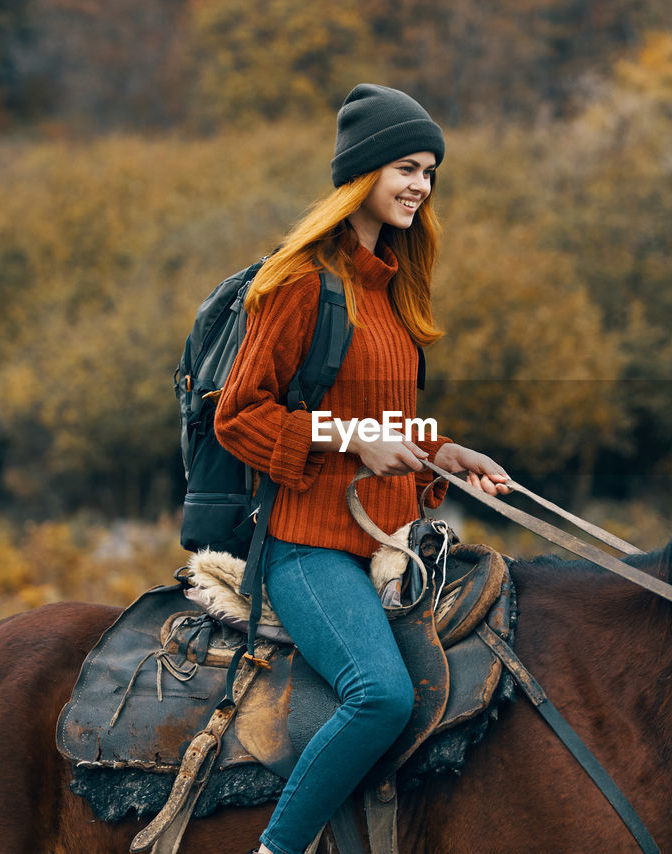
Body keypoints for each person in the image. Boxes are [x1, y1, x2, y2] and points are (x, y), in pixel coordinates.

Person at [213, 83, 510, 854]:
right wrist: (348, 438)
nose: (420, 185)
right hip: (306, 547)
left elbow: (388, 426)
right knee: (380, 696)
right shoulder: (302, 282)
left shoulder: (393, 294)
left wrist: (445, 453)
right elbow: (240, 416)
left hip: (387, 540)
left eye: (430, 172)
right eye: (406, 167)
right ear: (364, 172)